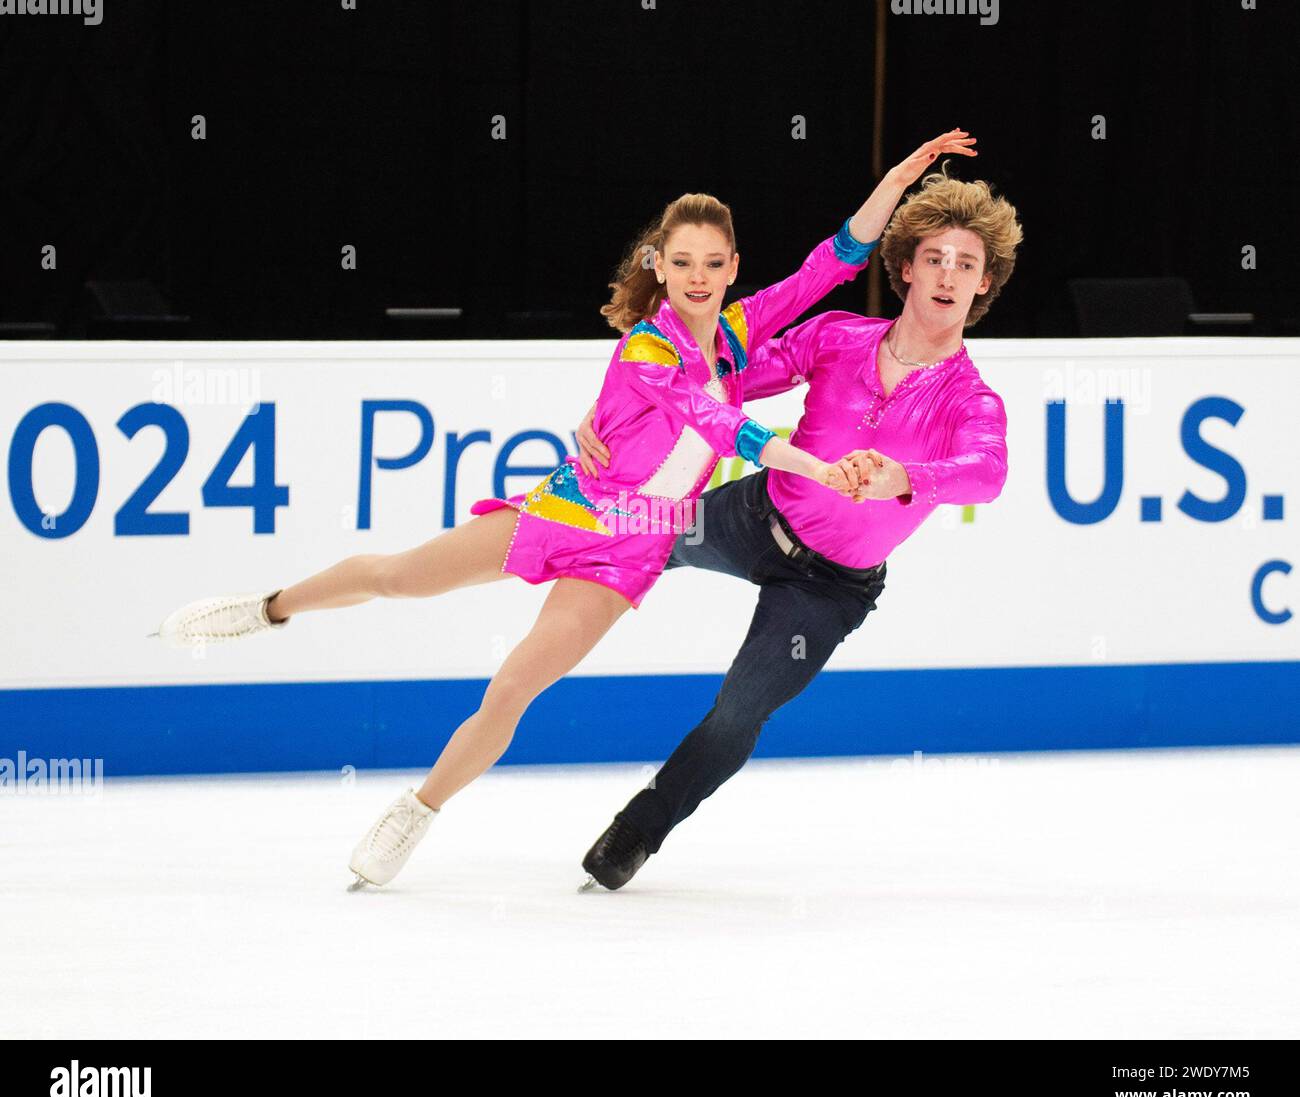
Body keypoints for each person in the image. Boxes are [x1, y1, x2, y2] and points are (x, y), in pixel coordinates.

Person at [150, 129, 977, 890]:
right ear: (658, 263)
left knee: (513, 687)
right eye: (682, 261)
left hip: (636, 547)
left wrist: (900, 181)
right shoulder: (648, 348)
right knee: (401, 578)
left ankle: (418, 810)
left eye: (713, 263)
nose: (696, 276)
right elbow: (725, 424)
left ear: (731, 269)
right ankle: (269, 607)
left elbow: (831, 263)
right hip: (571, 507)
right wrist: (818, 466)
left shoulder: (733, 335)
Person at [576, 160, 1024, 891]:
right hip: (751, 515)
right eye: (934, 258)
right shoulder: (839, 336)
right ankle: (500, 571)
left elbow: (989, 471)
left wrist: (908, 477)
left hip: (828, 590)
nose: (947, 274)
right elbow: (712, 376)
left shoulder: (970, 399)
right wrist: (609, 409)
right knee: (616, 538)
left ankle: (641, 827)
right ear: (906, 267)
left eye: (966, 264)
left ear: (983, 284)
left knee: (737, 713)